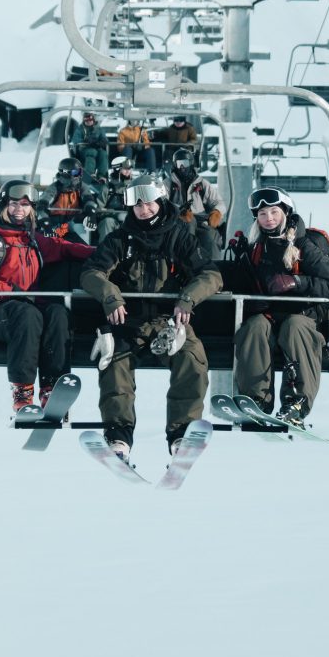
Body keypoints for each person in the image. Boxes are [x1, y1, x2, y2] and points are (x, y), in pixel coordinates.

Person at [80, 173, 222, 460]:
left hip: (168, 323)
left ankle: (181, 434)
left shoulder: (179, 237)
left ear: (160, 200)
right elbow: (92, 273)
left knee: (191, 358)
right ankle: (118, 436)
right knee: (114, 362)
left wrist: (187, 298)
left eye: (149, 203)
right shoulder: (120, 239)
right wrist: (110, 295)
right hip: (127, 322)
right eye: (137, 205)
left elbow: (210, 274)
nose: (144, 210)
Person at [0, 180, 94, 412]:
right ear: (4, 205)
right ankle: (23, 391)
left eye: (25, 205)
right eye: (14, 204)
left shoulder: (31, 240)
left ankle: (52, 387)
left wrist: (98, 252)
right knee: (26, 313)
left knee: (57, 313)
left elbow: (61, 247)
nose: (19, 210)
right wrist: (14, 292)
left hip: (26, 309)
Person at [232, 187, 329, 426]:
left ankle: (296, 401)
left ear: (285, 212)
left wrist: (297, 281)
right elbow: (242, 283)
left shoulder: (305, 246)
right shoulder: (254, 249)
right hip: (269, 315)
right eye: (262, 214)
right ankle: (256, 399)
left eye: (274, 212)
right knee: (254, 328)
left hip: (303, 315)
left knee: (295, 327)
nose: (268, 218)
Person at [167, 147, 226, 259]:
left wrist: (216, 212)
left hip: (201, 221)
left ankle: (214, 269)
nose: (182, 167)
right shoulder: (169, 183)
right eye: (179, 164)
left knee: (210, 239)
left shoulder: (201, 184)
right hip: (178, 222)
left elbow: (218, 201)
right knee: (187, 235)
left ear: (191, 163)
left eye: (185, 163)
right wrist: (178, 211)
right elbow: (162, 201)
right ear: (175, 165)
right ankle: (183, 265)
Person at [35, 156, 104, 242]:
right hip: (56, 225)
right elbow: (41, 206)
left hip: (71, 224)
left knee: (81, 222)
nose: (79, 175)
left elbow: (88, 199)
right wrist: (45, 222)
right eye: (76, 172)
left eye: (79, 172)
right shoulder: (55, 188)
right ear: (66, 173)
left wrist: (91, 213)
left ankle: (84, 250)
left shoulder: (80, 186)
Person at [96, 155, 134, 241]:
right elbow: (99, 209)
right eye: (126, 169)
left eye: (130, 169)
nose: (129, 171)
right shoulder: (107, 188)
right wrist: (115, 214)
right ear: (117, 170)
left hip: (129, 221)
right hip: (111, 221)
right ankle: (105, 251)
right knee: (107, 222)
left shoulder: (133, 186)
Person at [70, 111, 109, 178]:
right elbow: (76, 140)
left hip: (96, 149)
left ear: (93, 120)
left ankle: (102, 175)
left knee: (103, 153)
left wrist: (100, 142)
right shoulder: (80, 129)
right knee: (92, 152)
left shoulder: (98, 129)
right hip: (84, 150)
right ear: (84, 121)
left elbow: (104, 139)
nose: (89, 122)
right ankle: (89, 173)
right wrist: (86, 142)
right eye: (87, 121)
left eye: (90, 120)